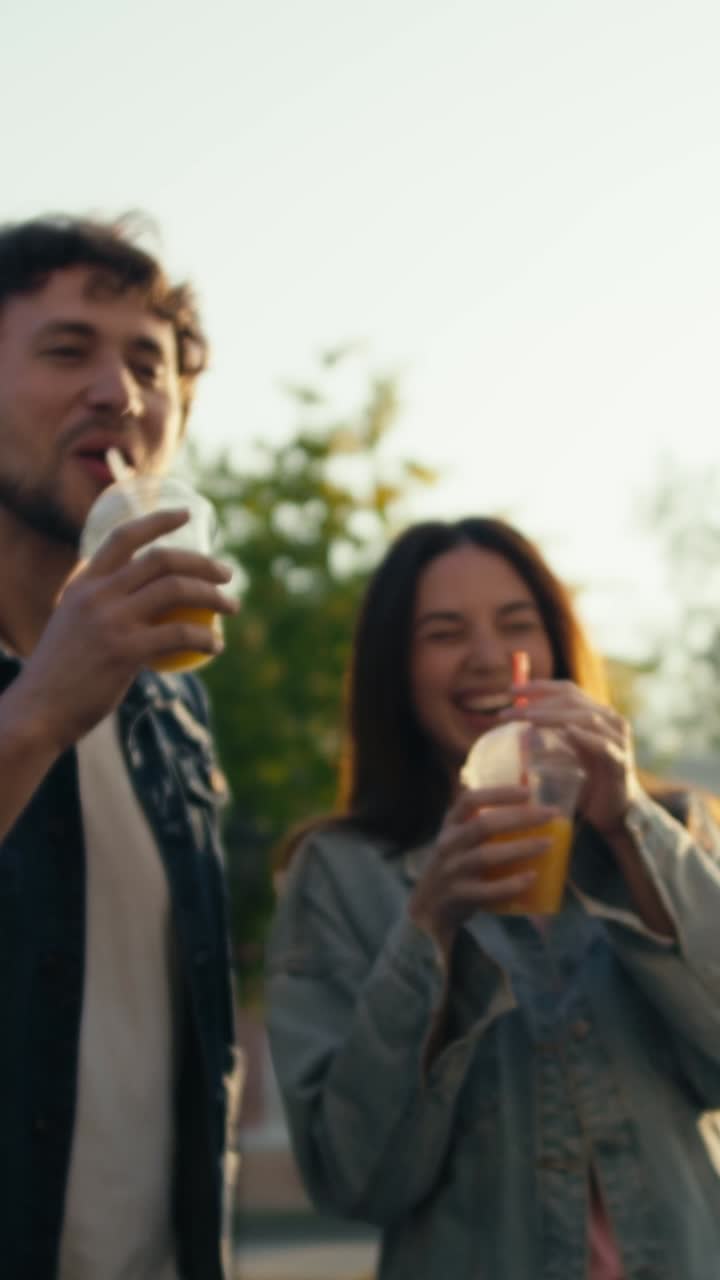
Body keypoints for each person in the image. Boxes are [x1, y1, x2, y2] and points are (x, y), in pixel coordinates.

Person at [266, 516, 720, 1280]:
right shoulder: (340, 873)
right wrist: (431, 927)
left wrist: (629, 826)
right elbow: (355, 1177)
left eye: (517, 625)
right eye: (444, 633)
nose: (489, 659)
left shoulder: (662, 831)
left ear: (558, 647)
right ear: (396, 670)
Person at [0, 216, 242, 1280]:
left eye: (148, 364)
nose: (120, 392)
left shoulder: (170, 706)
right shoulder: (56, 697)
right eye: (68, 350)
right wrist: (35, 713)